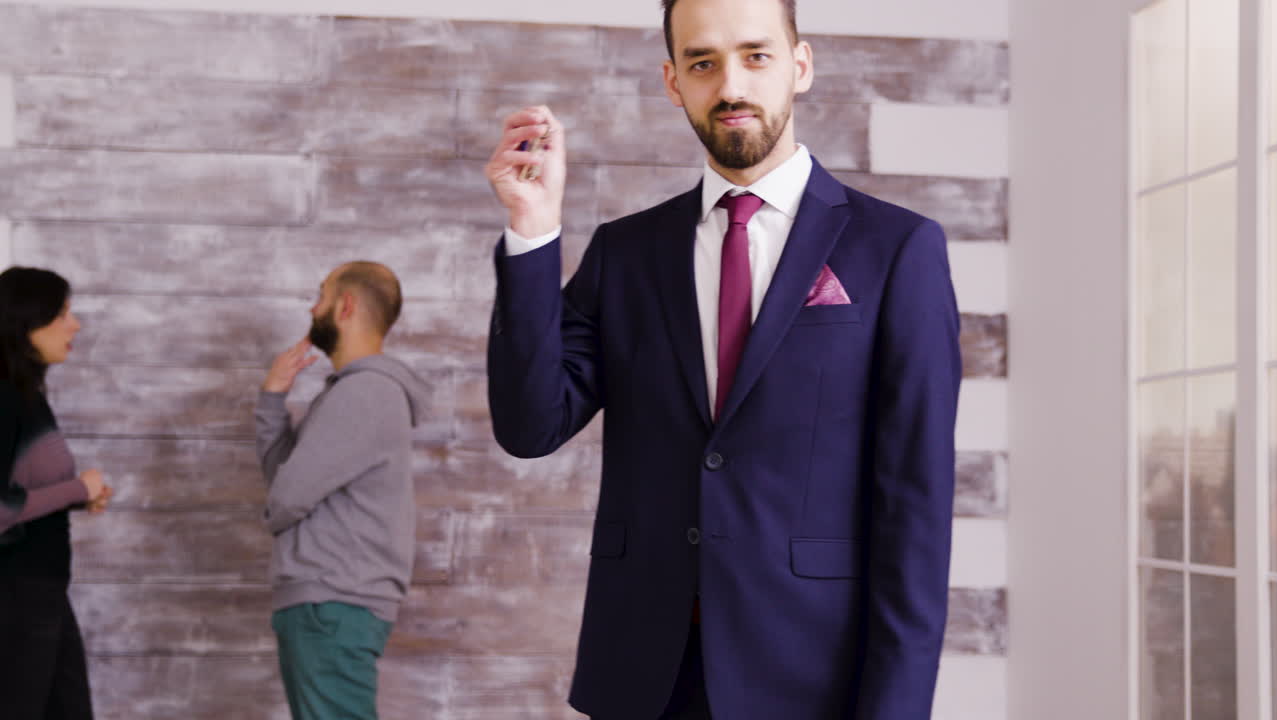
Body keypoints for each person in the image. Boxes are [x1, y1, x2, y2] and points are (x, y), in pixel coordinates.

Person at [483, 0, 962, 717]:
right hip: (645, 677)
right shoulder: (627, 255)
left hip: (814, 679)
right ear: (674, 82)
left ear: (800, 66)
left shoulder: (897, 252)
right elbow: (530, 425)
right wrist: (533, 232)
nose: (730, 85)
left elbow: (916, 512)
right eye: (703, 63)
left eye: (756, 56)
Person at [255, 261, 430, 720]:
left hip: (333, 602)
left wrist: (276, 511)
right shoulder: (347, 394)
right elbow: (286, 483)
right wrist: (273, 399)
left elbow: (287, 497)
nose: (313, 308)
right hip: (328, 601)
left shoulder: (365, 392)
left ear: (345, 305)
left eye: (321, 296)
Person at [0, 266, 113, 720]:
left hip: (40, 593)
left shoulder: (25, 394)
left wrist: (77, 497)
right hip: (16, 598)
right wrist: (74, 487)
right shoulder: (5, 397)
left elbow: (20, 490)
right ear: (26, 323)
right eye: (62, 314)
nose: (76, 324)